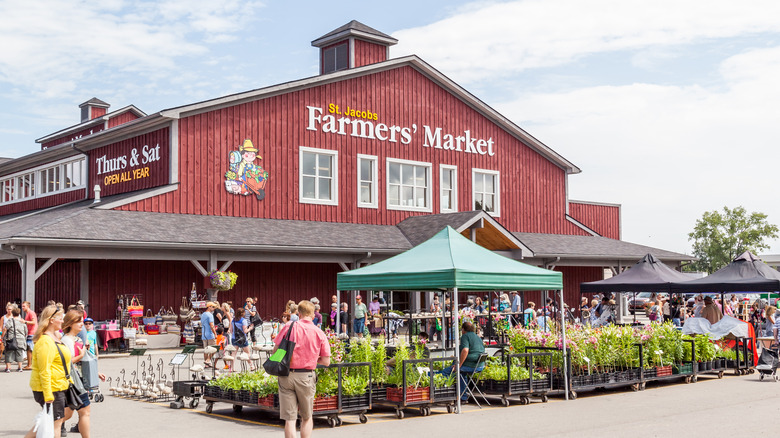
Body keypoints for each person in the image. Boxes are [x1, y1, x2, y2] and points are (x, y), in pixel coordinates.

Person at [273, 300, 331, 438]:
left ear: (298, 313)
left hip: (286, 374)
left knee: (290, 419)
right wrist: (312, 358)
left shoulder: (288, 327)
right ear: (313, 316)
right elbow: (326, 361)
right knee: (306, 417)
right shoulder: (318, 332)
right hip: (306, 376)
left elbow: (276, 350)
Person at [24, 305, 69, 438]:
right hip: (52, 388)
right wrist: (48, 395)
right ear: (51, 320)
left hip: (57, 385)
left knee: (47, 423)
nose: (62, 321)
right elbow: (45, 370)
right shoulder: (45, 341)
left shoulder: (53, 337)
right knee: (55, 424)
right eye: (60, 318)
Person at [61, 309, 100, 438]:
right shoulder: (67, 340)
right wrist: (81, 355)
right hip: (72, 380)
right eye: (78, 321)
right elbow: (66, 362)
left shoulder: (75, 338)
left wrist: (96, 372)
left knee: (69, 413)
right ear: (70, 324)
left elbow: (78, 362)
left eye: (81, 321)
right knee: (84, 410)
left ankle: (45, 427)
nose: (81, 324)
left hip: (74, 378)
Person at [437, 321, 485, 403]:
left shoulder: (465, 336)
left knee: (447, 372)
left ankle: (438, 387)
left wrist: (459, 365)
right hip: (480, 366)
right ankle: (463, 397)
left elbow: (465, 350)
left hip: (471, 365)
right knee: (461, 373)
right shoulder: (478, 337)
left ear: (463, 329)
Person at [4, 303, 27, 372]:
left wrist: (2, 336)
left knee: (9, 352)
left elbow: (5, 329)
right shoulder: (22, 321)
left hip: (11, 339)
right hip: (21, 339)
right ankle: (20, 368)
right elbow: (26, 331)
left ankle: (8, 368)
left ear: (13, 313)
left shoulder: (10, 321)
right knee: (19, 353)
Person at [200, 302, 217, 367]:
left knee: (206, 350)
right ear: (209, 307)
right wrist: (215, 333)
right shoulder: (210, 315)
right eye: (213, 307)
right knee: (214, 348)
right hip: (210, 334)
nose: (213, 308)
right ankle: (208, 360)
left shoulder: (203, 314)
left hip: (204, 334)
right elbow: (212, 325)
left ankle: (206, 363)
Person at [21, 301, 37, 370]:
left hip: (32, 332)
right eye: (22, 306)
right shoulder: (28, 313)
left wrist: (25, 322)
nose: (22, 308)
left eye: (24, 306)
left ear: (28, 306)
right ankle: (31, 364)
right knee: (31, 349)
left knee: (29, 349)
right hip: (30, 332)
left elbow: (34, 322)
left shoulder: (31, 313)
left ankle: (29, 365)